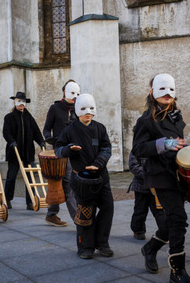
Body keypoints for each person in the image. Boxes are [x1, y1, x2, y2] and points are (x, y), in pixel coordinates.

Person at [131, 73, 190, 282]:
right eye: (162, 90)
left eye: (171, 90)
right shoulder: (145, 120)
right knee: (179, 219)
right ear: (152, 93)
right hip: (159, 175)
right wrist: (163, 144)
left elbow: (179, 142)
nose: (168, 94)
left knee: (172, 220)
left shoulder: (176, 116)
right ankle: (178, 273)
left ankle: (150, 248)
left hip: (177, 174)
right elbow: (138, 149)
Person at [55, 93, 114, 259]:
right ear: (77, 110)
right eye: (83, 109)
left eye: (91, 109)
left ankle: (102, 243)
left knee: (108, 208)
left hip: (101, 177)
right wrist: (69, 149)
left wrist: (98, 163)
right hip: (81, 179)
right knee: (85, 213)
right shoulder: (69, 130)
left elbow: (106, 148)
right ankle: (85, 247)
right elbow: (58, 150)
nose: (88, 112)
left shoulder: (100, 128)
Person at [42, 80, 79, 226]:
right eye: (71, 93)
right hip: (60, 151)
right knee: (62, 183)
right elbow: (46, 129)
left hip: (74, 152)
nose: (74, 97)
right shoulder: (55, 108)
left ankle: (52, 214)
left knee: (65, 184)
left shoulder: (78, 109)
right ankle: (77, 220)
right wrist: (49, 139)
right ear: (64, 92)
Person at [3, 91, 45, 211]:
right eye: (19, 102)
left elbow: (36, 131)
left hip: (27, 152)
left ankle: (30, 201)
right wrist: (11, 141)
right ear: (15, 103)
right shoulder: (9, 117)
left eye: (23, 102)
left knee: (30, 177)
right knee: (11, 176)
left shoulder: (28, 117)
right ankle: (7, 198)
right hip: (14, 152)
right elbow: (6, 132)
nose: (21, 105)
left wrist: (41, 141)